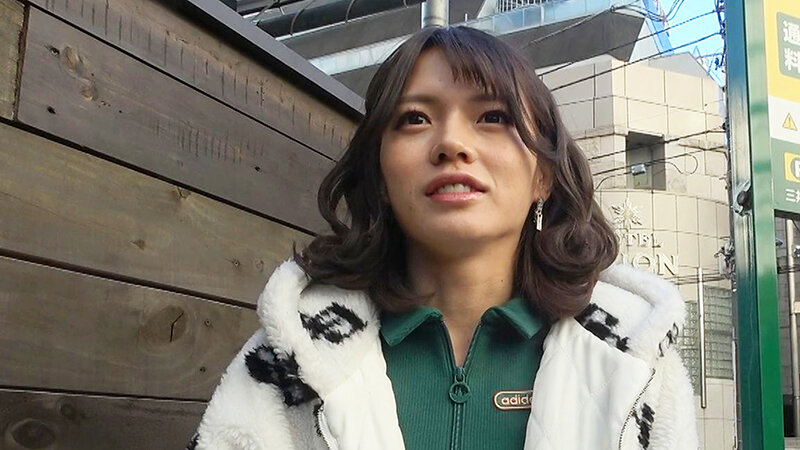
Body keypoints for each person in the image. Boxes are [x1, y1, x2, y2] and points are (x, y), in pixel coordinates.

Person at [189, 26, 698, 450]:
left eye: (493, 117)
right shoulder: (292, 353)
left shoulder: (634, 363)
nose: (452, 142)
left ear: (543, 176)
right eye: (415, 119)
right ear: (380, 174)